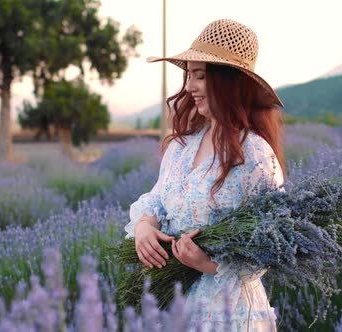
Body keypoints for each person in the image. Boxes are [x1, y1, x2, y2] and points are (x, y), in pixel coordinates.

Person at [123, 19, 286, 331]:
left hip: (229, 315)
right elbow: (157, 199)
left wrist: (207, 265)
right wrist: (144, 227)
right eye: (189, 75)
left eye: (199, 76)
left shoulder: (255, 155)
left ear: (228, 82)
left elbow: (272, 242)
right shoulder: (183, 147)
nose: (188, 87)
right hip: (175, 308)